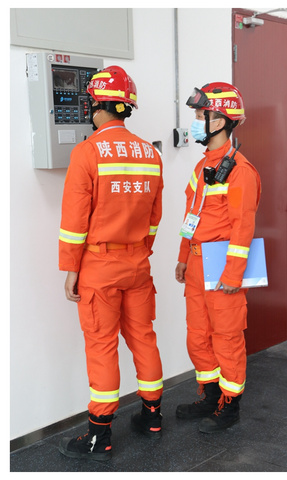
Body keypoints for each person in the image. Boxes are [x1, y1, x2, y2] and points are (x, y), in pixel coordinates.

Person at [58, 66, 164, 460]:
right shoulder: (150, 154)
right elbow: (155, 217)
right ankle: (152, 415)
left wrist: (72, 270)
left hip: (99, 267)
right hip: (138, 263)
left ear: (95, 105)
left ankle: (99, 436)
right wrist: (140, 251)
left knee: (102, 346)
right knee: (143, 336)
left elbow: (74, 223)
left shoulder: (87, 153)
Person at [175, 82, 261, 433]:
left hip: (222, 264)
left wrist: (233, 274)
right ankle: (210, 395)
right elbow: (190, 216)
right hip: (197, 262)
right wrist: (183, 256)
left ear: (221, 120)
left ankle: (230, 405)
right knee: (198, 334)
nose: (196, 121)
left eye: (201, 115)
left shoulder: (240, 171)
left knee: (226, 336)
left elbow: (243, 228)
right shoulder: (203, 168)